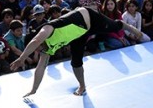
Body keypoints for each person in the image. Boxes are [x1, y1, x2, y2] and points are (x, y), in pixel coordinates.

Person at [10, 7, 143, 97]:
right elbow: (40, 68)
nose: (38, 50)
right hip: (79, 34)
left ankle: (130, 28)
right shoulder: (47, 49)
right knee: (76, 62)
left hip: (88, 18)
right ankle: (82, 86)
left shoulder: (47, 29)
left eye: (37, 48)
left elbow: (35, 41)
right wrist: (34, 90)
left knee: (113, 27)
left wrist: (22, 58)